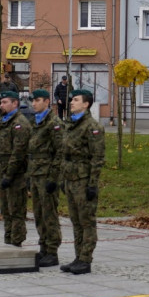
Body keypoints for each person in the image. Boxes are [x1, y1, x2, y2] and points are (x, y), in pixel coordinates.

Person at [59, 89, 105, 274]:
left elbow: (97, 157)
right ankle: (78, 257)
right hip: (70, 179)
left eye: (76, 100)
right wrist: (63, 178)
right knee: (76, 221)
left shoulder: (92, 127)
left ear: (86, 104)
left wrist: (92, 184)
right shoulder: (70, 125)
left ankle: (86, 259)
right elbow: (65, 154)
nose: (71, 102)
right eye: (72, 100)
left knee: (86, 221)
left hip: (83, 180)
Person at [0, 91, 32, 248]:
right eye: (1, 102)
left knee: (16, 210)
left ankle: (16, 242)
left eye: (4, 102)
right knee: (5, 209)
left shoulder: (20, 124)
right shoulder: (4, 122)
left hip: (16, 175)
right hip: (3, 172)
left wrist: (9, 175)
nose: (1, 105)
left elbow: (18, 152)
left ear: (15, 103)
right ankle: (8, 240)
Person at [26, 89, 64, 267]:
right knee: (39, 213)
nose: (34, 104)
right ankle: (43, 247)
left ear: (47, 102)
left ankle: (52, 250)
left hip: (47, 174)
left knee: (49, 214)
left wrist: (54, 178)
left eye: (38, 100)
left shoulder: (54, 123)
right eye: (33, 101)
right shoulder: (36, 122)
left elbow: (59, 152)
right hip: (36, 173)